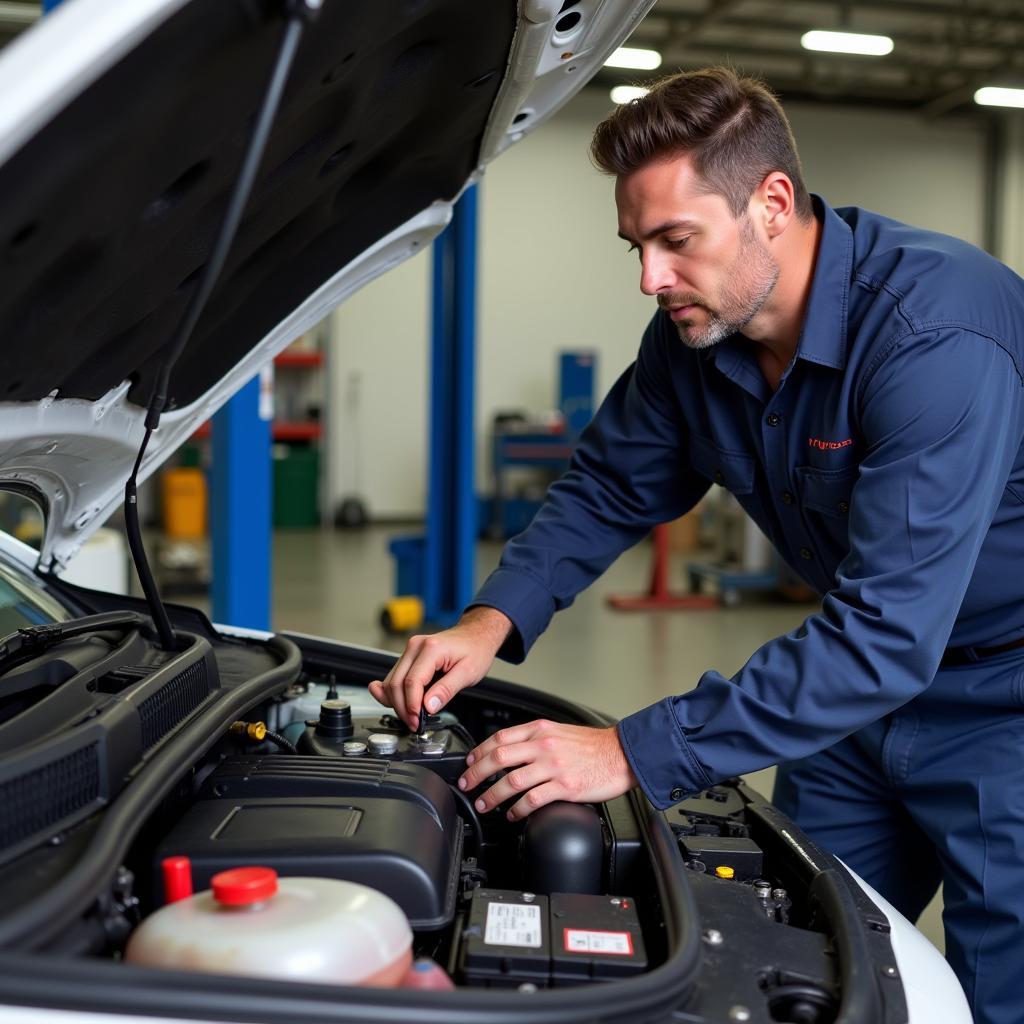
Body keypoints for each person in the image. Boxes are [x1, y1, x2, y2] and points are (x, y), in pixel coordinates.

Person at [369, 67, 1024, 1023]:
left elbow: (889, 633)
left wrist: (632, 751)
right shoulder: (692, 340)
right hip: (848, 707)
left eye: (678, 241)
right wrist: (490, 619)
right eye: (637, 245)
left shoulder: (934, 334)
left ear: (771, 202)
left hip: (1002, 705)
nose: (651, 278)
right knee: (798, 962)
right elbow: (608, 484)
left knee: (997, 993)